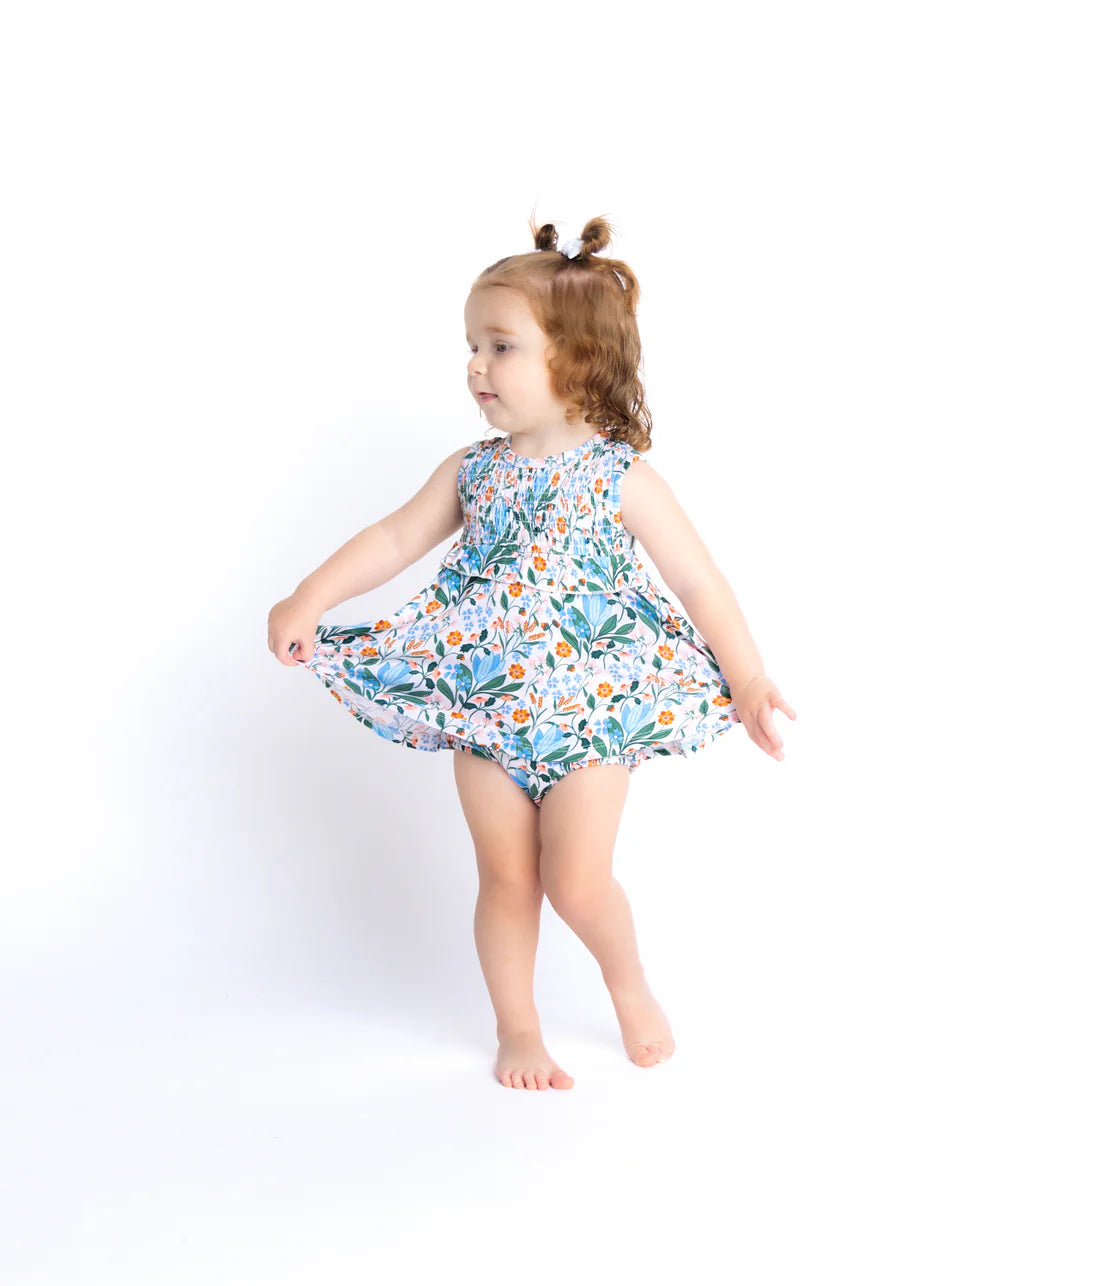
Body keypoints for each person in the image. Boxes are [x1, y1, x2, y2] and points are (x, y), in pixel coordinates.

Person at [268, 213, 796, 1091]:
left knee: (578, 882)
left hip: (589, 715)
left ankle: (629, 989)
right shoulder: (472, 470)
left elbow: (700, 584)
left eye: (500, 346)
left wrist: (747, 679)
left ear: (576, 361)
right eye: (472, 346)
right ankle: (519, 1030)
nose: (476, 366)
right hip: (484, 703)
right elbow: (396, 538)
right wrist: (311, 597)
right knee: (507, 880)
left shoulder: (620, 476)